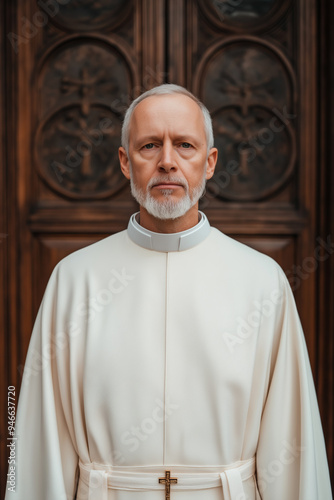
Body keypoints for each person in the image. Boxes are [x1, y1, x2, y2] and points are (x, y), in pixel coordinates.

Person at [6, 84, 332, 500]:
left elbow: (291, 444)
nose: (167, 162)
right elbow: (41, 441)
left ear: (210, 162)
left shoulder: (262, 281)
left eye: (184, 145)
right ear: (125, 162)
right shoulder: (73, 281)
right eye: (148, 146)